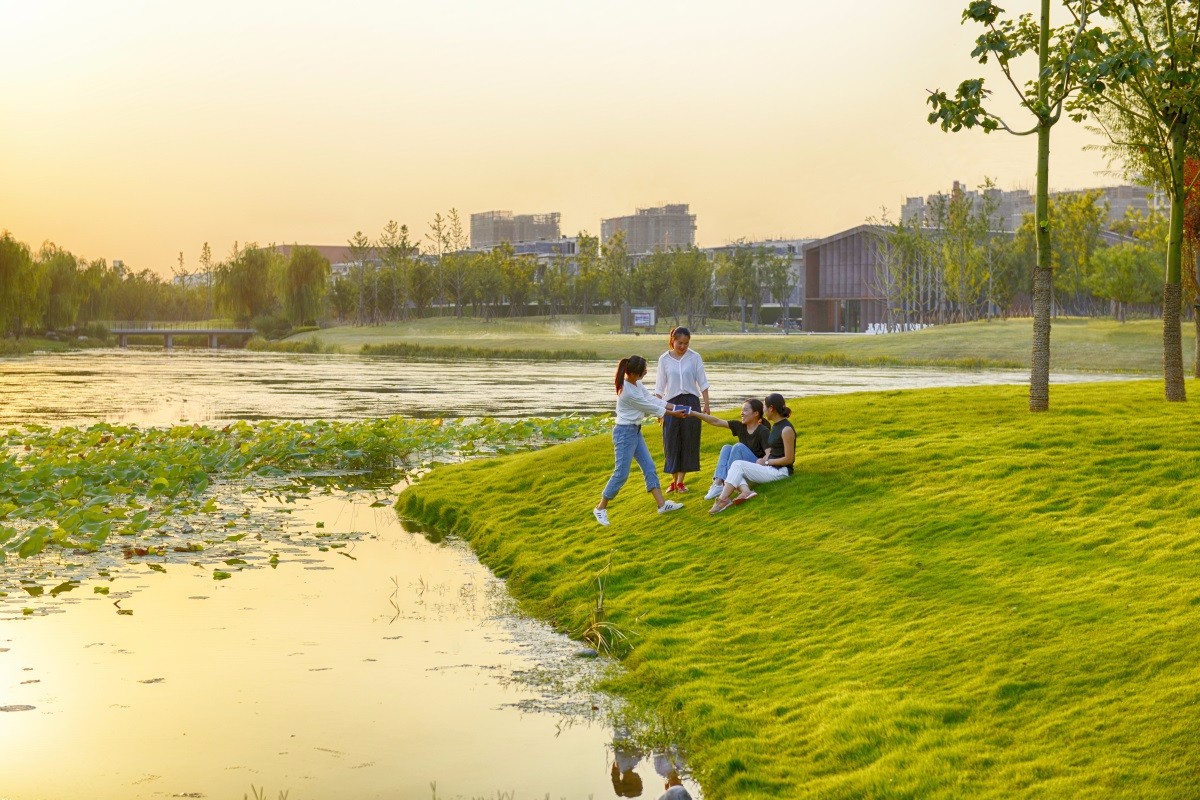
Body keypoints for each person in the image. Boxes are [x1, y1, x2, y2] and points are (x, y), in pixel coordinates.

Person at [594, 355, 687, 526]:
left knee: (649, 467)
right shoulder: (627, 392)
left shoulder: (636, 383)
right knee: (621, 474)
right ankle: (600, 508)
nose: (646, 372)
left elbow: (651, 399)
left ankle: (662, 505)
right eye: (644, 370)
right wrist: (673, 413)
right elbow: (649, 407)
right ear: (634, 373)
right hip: (624, 434)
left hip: (635, 431)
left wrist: (675, 407)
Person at [709, 393, 795, 514]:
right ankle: (744, 492)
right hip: (771, 468)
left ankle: (723, 500)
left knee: (737, 465)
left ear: (771, 408)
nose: (763, 410)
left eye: (764, 407)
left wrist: (766, 462)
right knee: (736, 467)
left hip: (781, 472)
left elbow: (789, 459)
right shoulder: (776, 426)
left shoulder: (786, 429)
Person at [654, 327, 710, 494]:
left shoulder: (694, 357)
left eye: (686, 343)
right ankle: (673, 481)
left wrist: (706, 404)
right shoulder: (664, 359)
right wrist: (658, 409)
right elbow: (659, 387)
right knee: (671, 441)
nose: (683, 347)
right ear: (673, 340)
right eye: (680, 343)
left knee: (688, 440)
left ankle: (680, 482)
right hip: (670, 403)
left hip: (691, 402)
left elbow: (703, 382)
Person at [687, 398, 771, 500]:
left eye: (745, 410)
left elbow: (769, 453)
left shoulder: (763, 431)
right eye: (742, 410)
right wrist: (694, 413)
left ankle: (728, 482)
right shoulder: (740, 426)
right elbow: (716, 421)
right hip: (740, 468)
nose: (741, 413)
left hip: (754, 469)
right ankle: (718, 483)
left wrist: (763, 461)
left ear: (756, 413)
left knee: (738, 447)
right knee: (726, 448)